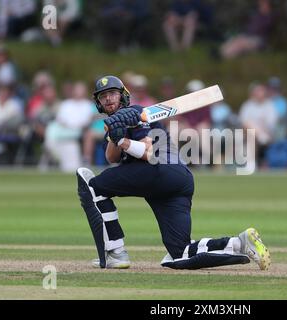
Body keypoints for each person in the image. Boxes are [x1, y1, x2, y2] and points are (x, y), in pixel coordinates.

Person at [76, 75, 271, 270]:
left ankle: (116, 253)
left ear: (123, 96)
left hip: (159, 169)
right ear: (98, 102)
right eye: (103, 96)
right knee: (179, 253)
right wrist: (115, 136)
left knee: (93, 187)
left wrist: (122, 139)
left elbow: (147, 153)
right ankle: (239, 243)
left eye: (112, 94)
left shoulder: (136, 113)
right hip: (179, 181)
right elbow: (112, 158)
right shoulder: (113, 126)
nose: (108, 99)